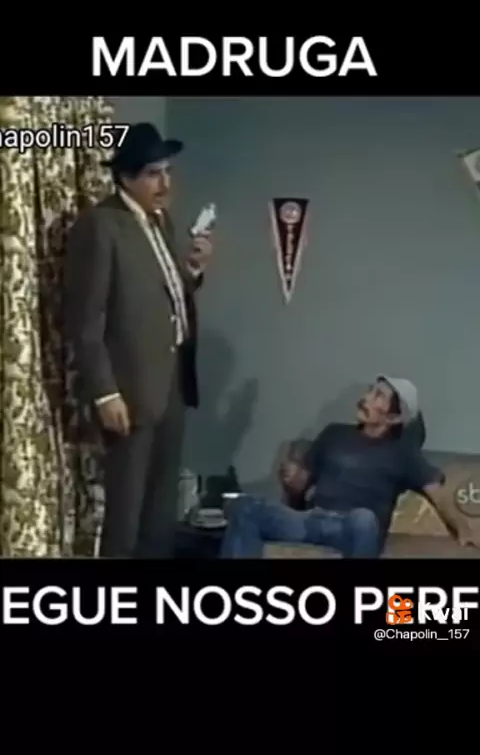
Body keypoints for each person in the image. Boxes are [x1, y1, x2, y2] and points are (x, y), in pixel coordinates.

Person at [64, 122, 214, 558]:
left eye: (167, 172)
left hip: (171, 383)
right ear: (126, 177)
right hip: (130, 390)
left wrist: (194, 270)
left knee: (159, 513)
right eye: (153, 174)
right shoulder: (101, 226)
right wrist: (105, 392)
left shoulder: (160, 221)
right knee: (126, 517)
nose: (165, 183)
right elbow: (85, 320)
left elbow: (164, 292)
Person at [221, 376, 480, 558]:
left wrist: (464, 528)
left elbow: (438, 493)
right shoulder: (334, 433)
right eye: (370, 391)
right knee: (245, 507)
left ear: (393, 417)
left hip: (353, 527)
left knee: (364, 519)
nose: (365, 398)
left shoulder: (403, 454)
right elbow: (300, 487)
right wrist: (292, 478)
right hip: (312, 520)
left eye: (377, 396)